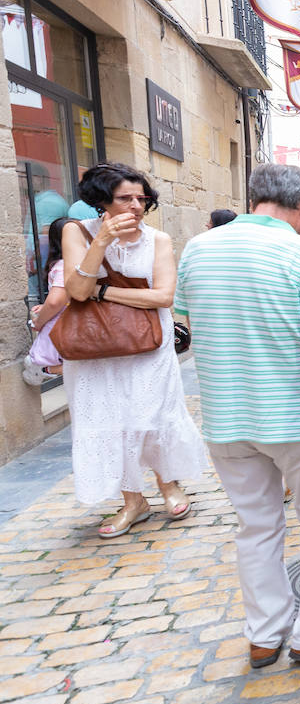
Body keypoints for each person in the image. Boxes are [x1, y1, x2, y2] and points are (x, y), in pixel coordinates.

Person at [174, 163, 300, 668]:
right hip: (296, 415)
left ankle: (264, 633)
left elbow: (190, 323)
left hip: (227, 413)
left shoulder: (198, 249)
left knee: (255, 525)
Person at [61, 163, 205, 536]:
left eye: (141, 198)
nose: (136, 206)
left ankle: (168, 484)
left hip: (148, 345)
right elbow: (76, 290)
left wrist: (104, 290)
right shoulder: (77, 233)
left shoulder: (157, 240)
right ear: (102, 200)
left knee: (153, 415)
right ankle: (132, 501)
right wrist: (102, 242)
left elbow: (163, 296)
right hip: (97, 350)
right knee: (109, 422)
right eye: (125, 198)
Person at [23, 215, 74, 386]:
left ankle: (45, 370)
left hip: (67, 325)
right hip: (70, 325)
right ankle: (44, 370)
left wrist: (39, 322)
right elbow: (57, 300)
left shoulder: (64, 265)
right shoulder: (68, 265)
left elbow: (55, 302)